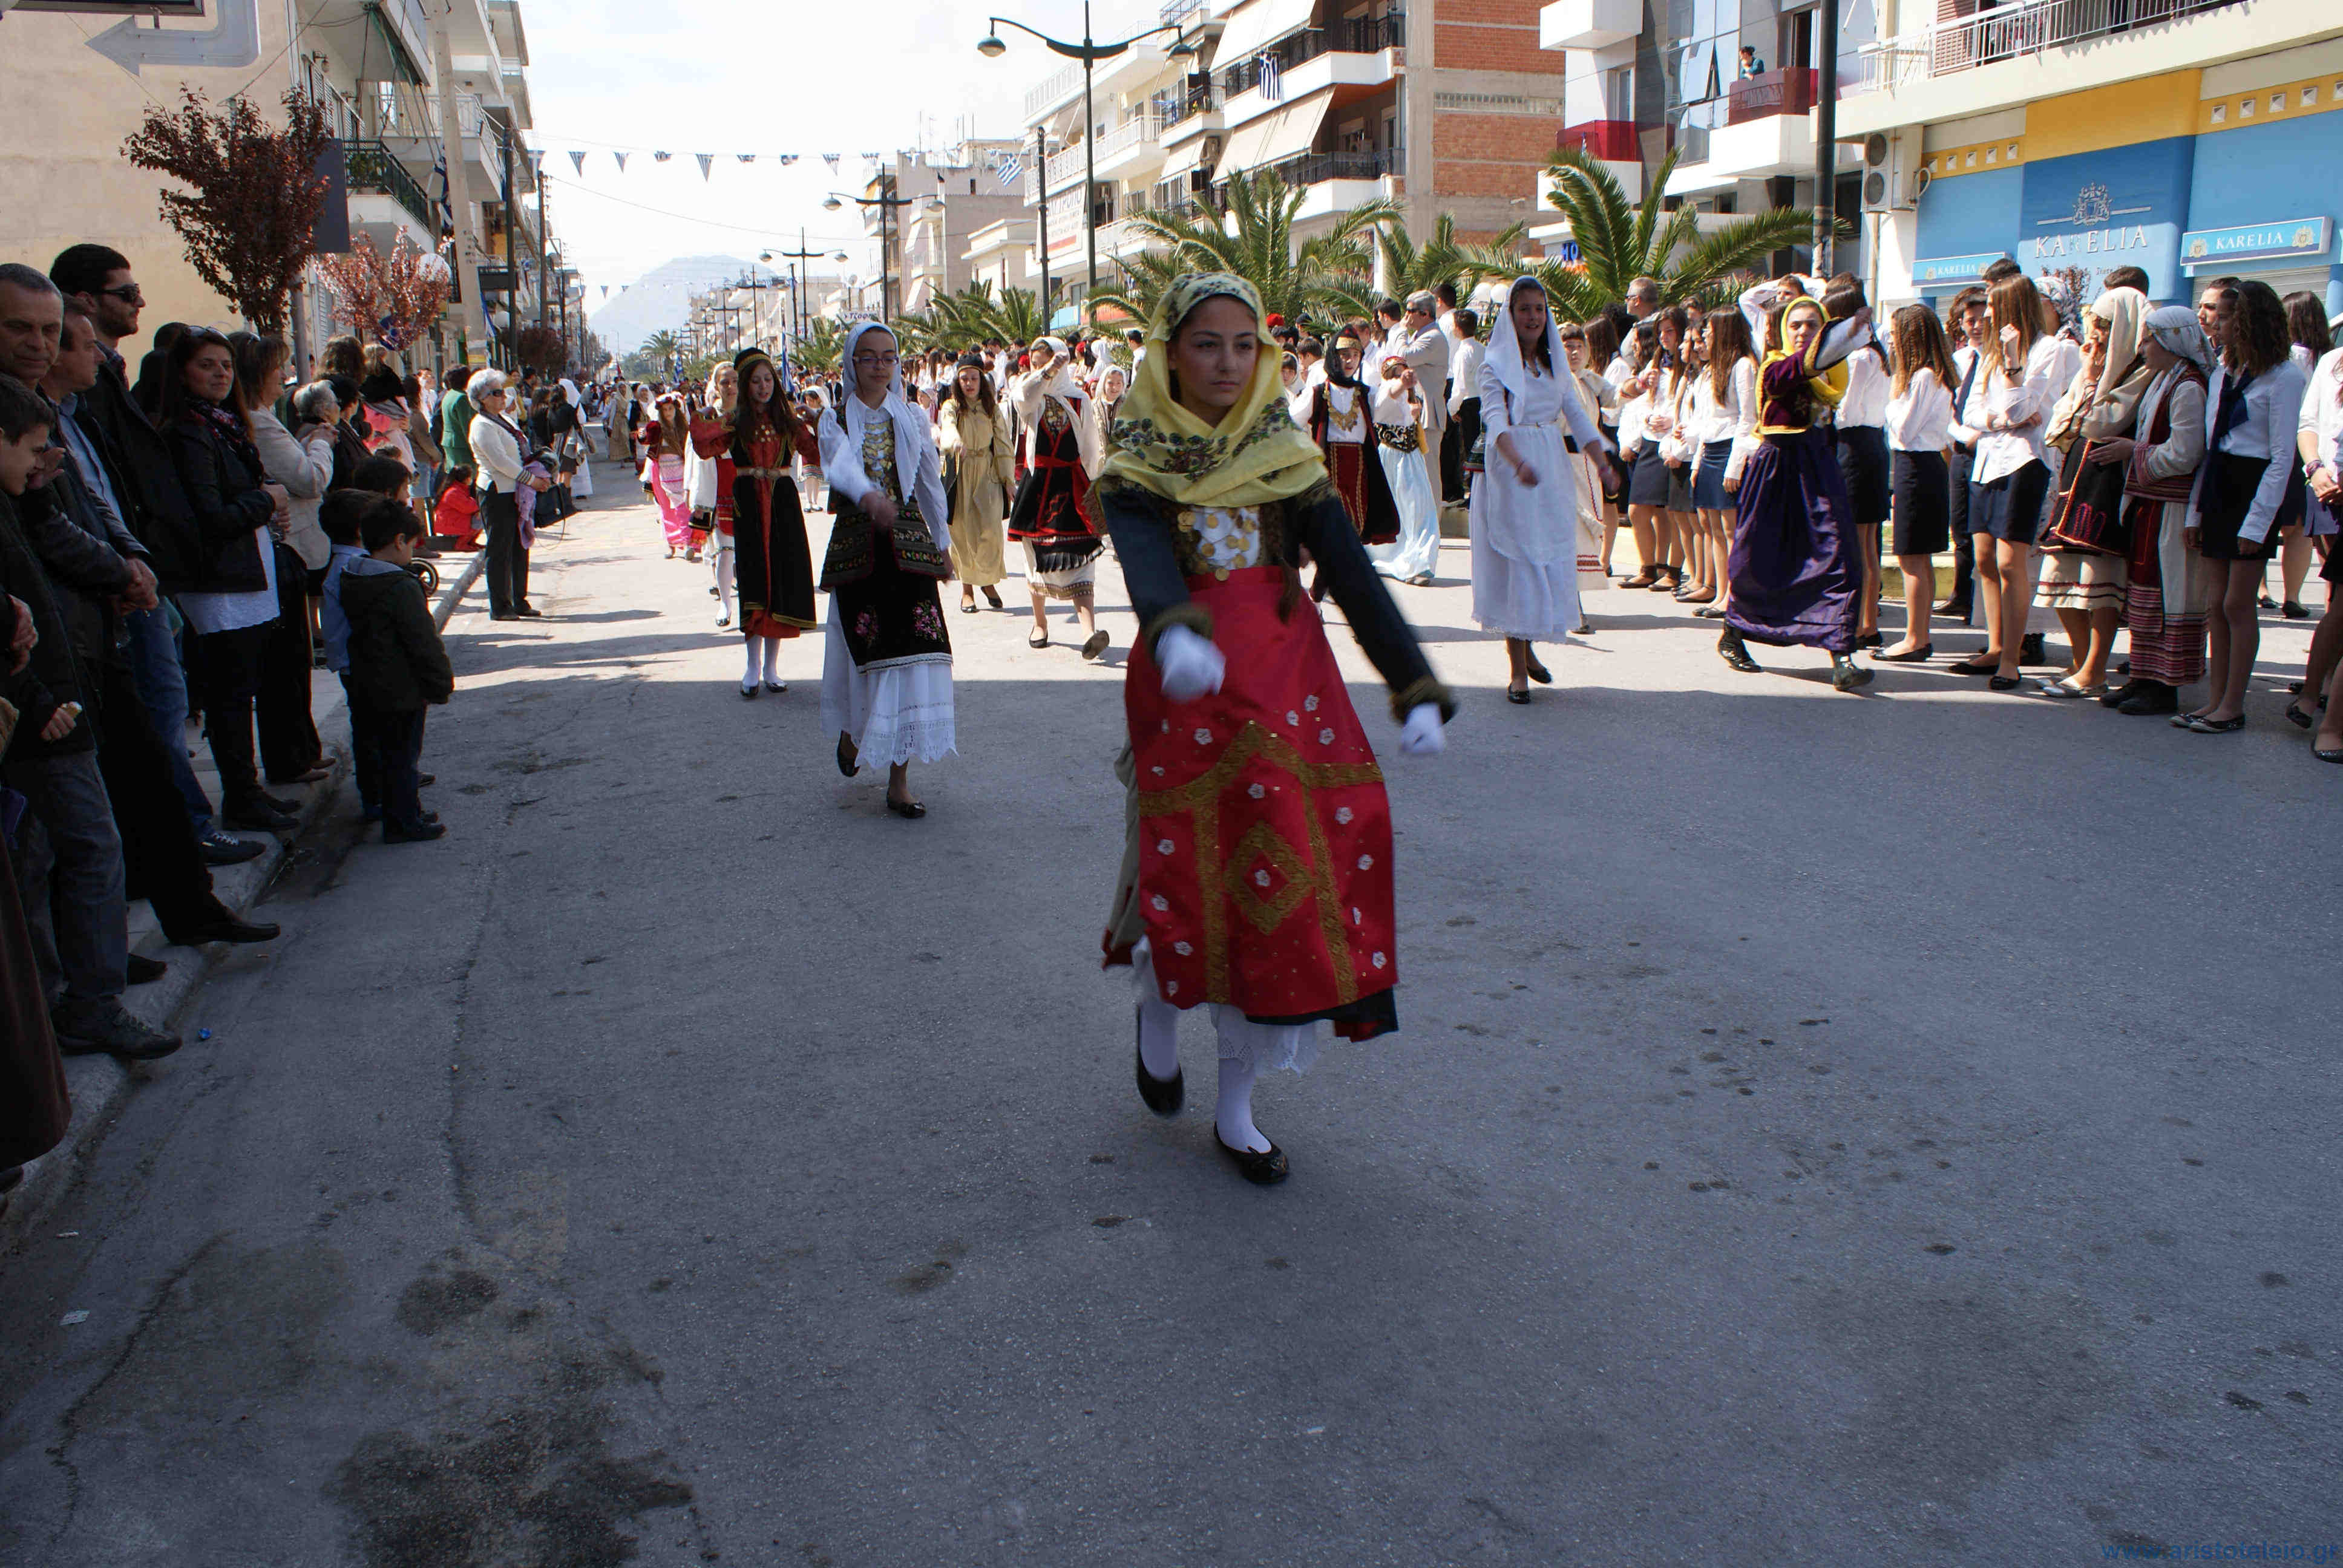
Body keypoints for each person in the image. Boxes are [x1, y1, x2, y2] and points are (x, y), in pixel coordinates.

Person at [1091, 272, 1452, 1186]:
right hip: (1186, 687)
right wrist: (1172, 629)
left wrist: (1411, 682)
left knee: (1277, 887)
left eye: (1243, 345)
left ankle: (1238, 1108)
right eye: (1205, 344)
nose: (1226, 362)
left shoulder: (1286, 453)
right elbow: (1142, 556)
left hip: (1289, 691)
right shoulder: (1137, 459)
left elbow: (1351, 575)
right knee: (1178, 867)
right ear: (1170, 351)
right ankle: (1158, 1012)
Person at [0, 371, 182, 1060]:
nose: (40, 464)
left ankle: (63, 997)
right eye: (31, 450)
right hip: (42, 704)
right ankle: (89, 1003)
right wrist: (40, 697)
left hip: (58, 685)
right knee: (88, 845)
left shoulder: (20, 498)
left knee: (47, 853)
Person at [818, 322, 955, 818]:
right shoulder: (833, 418)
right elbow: (839, 465)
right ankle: (855, 734)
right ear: (852, 363)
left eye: (888, 357)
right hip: (860, 549)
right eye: (869, 357)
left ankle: (900, 781)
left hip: (909, 546)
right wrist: (869, 496)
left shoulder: (912, 415)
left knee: (916, 656)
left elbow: (929, 480)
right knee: (867, 654)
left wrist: (943, 544)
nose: (880, 365)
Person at [1717, 295, 1876, 691]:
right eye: (1796, 325)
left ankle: (1841, 656)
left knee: (1838, 558)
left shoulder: (1832, 376)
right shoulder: (1775, 366)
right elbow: (1795, 371)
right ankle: (1733, 633)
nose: (1803, 331)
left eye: (1812, 325)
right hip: (1776, 472)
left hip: (1819, 471)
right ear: (1783, 331)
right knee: (1759, 560)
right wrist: (1843, 334)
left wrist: (1847, 336)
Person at [1473, 276, 1617, 701]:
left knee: (1543, 563)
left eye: (1539, 309)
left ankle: (1528, 648)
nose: (1533, 317)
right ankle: (1517, 671)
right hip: (1512, 469)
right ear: (1511, 315)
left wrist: (1603, 463)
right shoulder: (1494, 365)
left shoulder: (1555, 366)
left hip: (1550, 468)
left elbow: (1578, 417)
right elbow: (1495, 419)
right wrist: (1518, 462)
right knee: (1518, 564)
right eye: (1524, 309)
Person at [2180, 279, 2307, 733]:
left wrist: (2257, 523)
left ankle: (2233, 705)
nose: (2215, 322)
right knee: (2216, 603)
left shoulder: (2285, 376)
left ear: (2250, 320)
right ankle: (2215, 700)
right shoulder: (2223, 372)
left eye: (2227, 315)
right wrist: (2195, 511)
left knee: (2238, 602)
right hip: (2219, 482)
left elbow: (2282, 457)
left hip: (2254, 488)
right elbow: (2211, 446)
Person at [1949, 273, 2063, 687]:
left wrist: (2014, 364)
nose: (1987, 317)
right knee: (1983, 559)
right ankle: (1995, 646)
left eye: (1995, 308)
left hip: (2024, 462)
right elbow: (1971, 411)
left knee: (2010, 563)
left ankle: (2012, 658)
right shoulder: (1989, 354)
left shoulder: (2047, 349)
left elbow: (2025, 409)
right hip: (1987, 460)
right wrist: (1998, 420)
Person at [2034, 287, 2149, 696]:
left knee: (2101, 582)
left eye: (2104, 326)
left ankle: (2095, 668)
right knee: (2060, 575)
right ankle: (2082, 662)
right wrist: (2086, 376)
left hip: (2110, 485)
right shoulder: (2093, 370)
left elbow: (2101, 423)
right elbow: (2058, 428)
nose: (2095, 334)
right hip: (2076, 481)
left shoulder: (2141, 372)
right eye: (2094, 325)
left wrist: (2093, 386)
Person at [2098, 305, 2210, 717]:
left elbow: (2185, 453)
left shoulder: (2189, 387)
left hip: (2172, 509)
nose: (2142, 347)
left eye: (2149, 340)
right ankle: (2143, 676)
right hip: (2151, 506)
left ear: (2170, 342)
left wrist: (2133, 452)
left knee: (2169, 594)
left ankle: (2165, 686)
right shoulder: (2164, 379)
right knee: (2146, 592)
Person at [339, 497, 453, 841]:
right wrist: (440, 682)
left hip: (366, 680)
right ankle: (403, 822)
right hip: (401, 688)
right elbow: (423, 641)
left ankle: (402, 811)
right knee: (403, 757)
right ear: (400, 541)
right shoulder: (401, 587)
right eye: (412, 543)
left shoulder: (352, 575)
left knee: (385, 754)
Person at [723, 348, 819, 698]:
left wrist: (817, 420)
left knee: (779, 578)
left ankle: (772, 668)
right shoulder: (734, 421)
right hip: (749, 501)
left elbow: (816, 450)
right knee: (753, 579)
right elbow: (704, 445)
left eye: (768, 380)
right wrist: (710, 416)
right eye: (756, 381)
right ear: (745, 385)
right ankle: (752, 666)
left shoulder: (787, 420)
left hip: (781, 501)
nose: (764, 387)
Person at [1008, 336, 1108, 657]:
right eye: (1036, 365)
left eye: (1049, 364)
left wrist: (1093, 485)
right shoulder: (1029, 395)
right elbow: (1023, 398)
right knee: (1035, 557)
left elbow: (1090, 447)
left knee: (1081, 554)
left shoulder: (1079, 399)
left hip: (1072, 484)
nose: (1041, 371)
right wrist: (1045, 372)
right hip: (1037, 486)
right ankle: (1040, 623)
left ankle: (1089, 632)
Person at [1879, 303, 1960, 661]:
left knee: (1912, 557)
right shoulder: (1925, 376)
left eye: (1896, 334)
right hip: (1917, 465)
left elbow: (1905, 430)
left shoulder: (1924, 377)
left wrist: (1892, 404)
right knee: (1917, 556)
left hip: (1918, 465)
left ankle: (1916, 637)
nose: (1892, 342)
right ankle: (1918, 635)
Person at [1823, 279, 1892, 647]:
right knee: (1865, 542)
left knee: (1859, 542)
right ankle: (1866, 620)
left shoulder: (1859, 357)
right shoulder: (1875, 353)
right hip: (1869, 446)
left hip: (1855, 447)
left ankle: (1863, 621)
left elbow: (1844, 410)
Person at [1306, 329, 1399, 560]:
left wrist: (1401, 386)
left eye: (1355, 355)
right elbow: (1292, 419)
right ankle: (1331, 571)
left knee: (1356, 521)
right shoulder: (1319, 392)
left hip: (1358, 465)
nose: (1350, 361)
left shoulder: (1365, 393)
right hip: (1328, 464)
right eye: (1345, 355)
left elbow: (1386, 404)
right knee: (1333, 522)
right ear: (1333, 357)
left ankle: (1335, 572)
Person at [467, 370, 549, 622]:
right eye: (496, 393)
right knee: (499, 548)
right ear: (482, 399)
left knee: (519, 546)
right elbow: (501, 462)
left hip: (516, 491)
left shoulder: (503, 419)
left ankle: (518, 600)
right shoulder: (481, 425)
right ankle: (500, 606)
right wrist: (532, 480)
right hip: (497, 491)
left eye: (503, 391)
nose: (503, 396)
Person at [2271, 291, 2332, 618]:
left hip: (2281, 443)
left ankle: (2261, 589)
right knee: (2298, 531)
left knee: (2268, 522)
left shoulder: (2287, 356)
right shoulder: (2328, 358)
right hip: (2311, 451)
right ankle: (2292, 596)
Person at [937, 353, 1012, 613]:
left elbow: (1003, 444)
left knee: (991, 531)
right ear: (958, 382)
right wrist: (955, 442)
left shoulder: (992, 409)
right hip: (960, 472)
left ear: (982, 380)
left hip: (987, 472)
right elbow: (948, 427)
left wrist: (1009, 480)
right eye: (964, 379)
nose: (969, 383)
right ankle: (967, 590)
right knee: (962, 532)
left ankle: (988, 582)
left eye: (973, 378)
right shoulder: (952, 406)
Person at [1935, 287, 1990, 623]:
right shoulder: (1959, 360)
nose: (1977, 326)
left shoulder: (1999, 359)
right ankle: (1961, 594)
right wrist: (1963, 436)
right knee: (1961, 525)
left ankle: (1980, 601)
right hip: (1961, 449)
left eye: (1983, 319)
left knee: (1984, 527)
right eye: (1970, 321)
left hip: (1991, 450)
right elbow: (1948, 409)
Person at [1368, 355, 1441, 585]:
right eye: (1397, 372)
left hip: (1412, 459)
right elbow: (1389, 394)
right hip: (1390, 458)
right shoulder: (1385, 389)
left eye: (1404, 371)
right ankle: (1395, 560)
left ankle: (1421, 563)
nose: (1402, 375)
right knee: (1394, 512)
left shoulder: (1412, 397)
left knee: (1420, 510)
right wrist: (1402, 382)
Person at [688, 363, 741, 626]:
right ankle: (725, 604)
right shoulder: (707, 417)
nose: (731, 387)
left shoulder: (752, 413)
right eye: (725, 382)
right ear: (716, 386)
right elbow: (697, 460)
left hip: (751, 486)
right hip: (721, 488)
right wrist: (697, 498)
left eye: (735, 381)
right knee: (725, 552)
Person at [1395, 291, 1452, 504]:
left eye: (1410, 311)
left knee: (1428, 472)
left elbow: (1403, 357)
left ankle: (1434, 520)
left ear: (1425, 314)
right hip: (1416, 412)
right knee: (1416, 473)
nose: (1406, 316)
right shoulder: (1420, 336)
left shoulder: (1433, 337)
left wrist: (1401, 331)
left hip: (1429, 414)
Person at [1445, 307, 1484, 505]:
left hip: (1469, 404)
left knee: (1471, 450)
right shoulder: (1483, 349)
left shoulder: (1462, 353)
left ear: (1458, 329)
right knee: (1481, 449)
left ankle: (1475, 495)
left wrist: (1452, 408)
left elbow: (1460, 386)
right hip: (1484, 402)